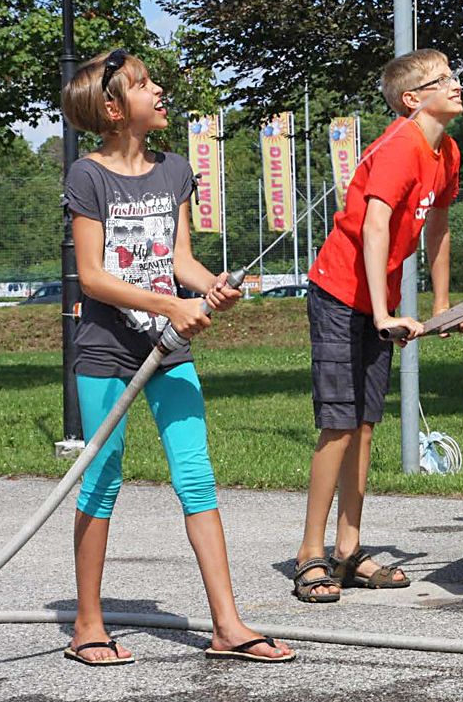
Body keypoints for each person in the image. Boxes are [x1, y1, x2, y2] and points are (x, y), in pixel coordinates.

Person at [61, 49, 295, 665]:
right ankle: (88, 623)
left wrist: (209, 286)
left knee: (196, 476)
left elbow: (179, 260)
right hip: (107, 351)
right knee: (102, 480)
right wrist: (169, 307)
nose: (159, 90)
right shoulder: (88, 176)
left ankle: (227, 624)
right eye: (143, 85)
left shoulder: (174, 171)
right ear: (113, 110)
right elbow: (91, 277)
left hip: (170, 352)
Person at [292, 48, 463, 602]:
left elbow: (437, 224)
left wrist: (442, 304)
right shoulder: (399, 147)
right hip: (341, 295)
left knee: (365, 426)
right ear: (412, 99)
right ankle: (309, 553)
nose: (457, 84)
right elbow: (373, 229)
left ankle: (348, 551)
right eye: (444, 80)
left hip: (374, 299)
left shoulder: (447, 151)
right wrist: (380, 312)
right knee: (339, 426)